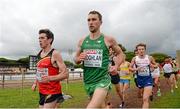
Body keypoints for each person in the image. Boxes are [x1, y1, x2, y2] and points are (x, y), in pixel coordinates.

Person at [74, 10, 123, 108]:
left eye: (94, 19)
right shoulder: (82, 41)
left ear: (100, 22)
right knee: (101, 106)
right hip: (88, 80)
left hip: (103, 79)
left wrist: (116, 66)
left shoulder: (108, 39)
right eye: (88, 20)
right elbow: (75, 59)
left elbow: (120, 53)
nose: (90, 22)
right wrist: (79, 58)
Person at [31, 29, 69, 108]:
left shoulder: (55, 54)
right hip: (42, 91)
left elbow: (65, 74)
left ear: (49, 40)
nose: (39, 40)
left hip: (53, 91)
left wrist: (50, 78)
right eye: (39, 38)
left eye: (42, 38)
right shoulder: (39, 54)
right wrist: (35, 83)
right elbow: (38, 71)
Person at [129, 43, 157, 108]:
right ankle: (150, 94)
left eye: (142, 49)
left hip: (148, 79)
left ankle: (149, 95)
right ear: (137, 50)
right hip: (139, 79)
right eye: (139, 49)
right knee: (141, 95)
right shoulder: (134, 58)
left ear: (145, 50)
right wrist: (135, 69)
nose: (141, 50)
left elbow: (156, 65)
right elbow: (130, 68)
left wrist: (152, 65)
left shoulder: (149, 57)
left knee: (145, 99)